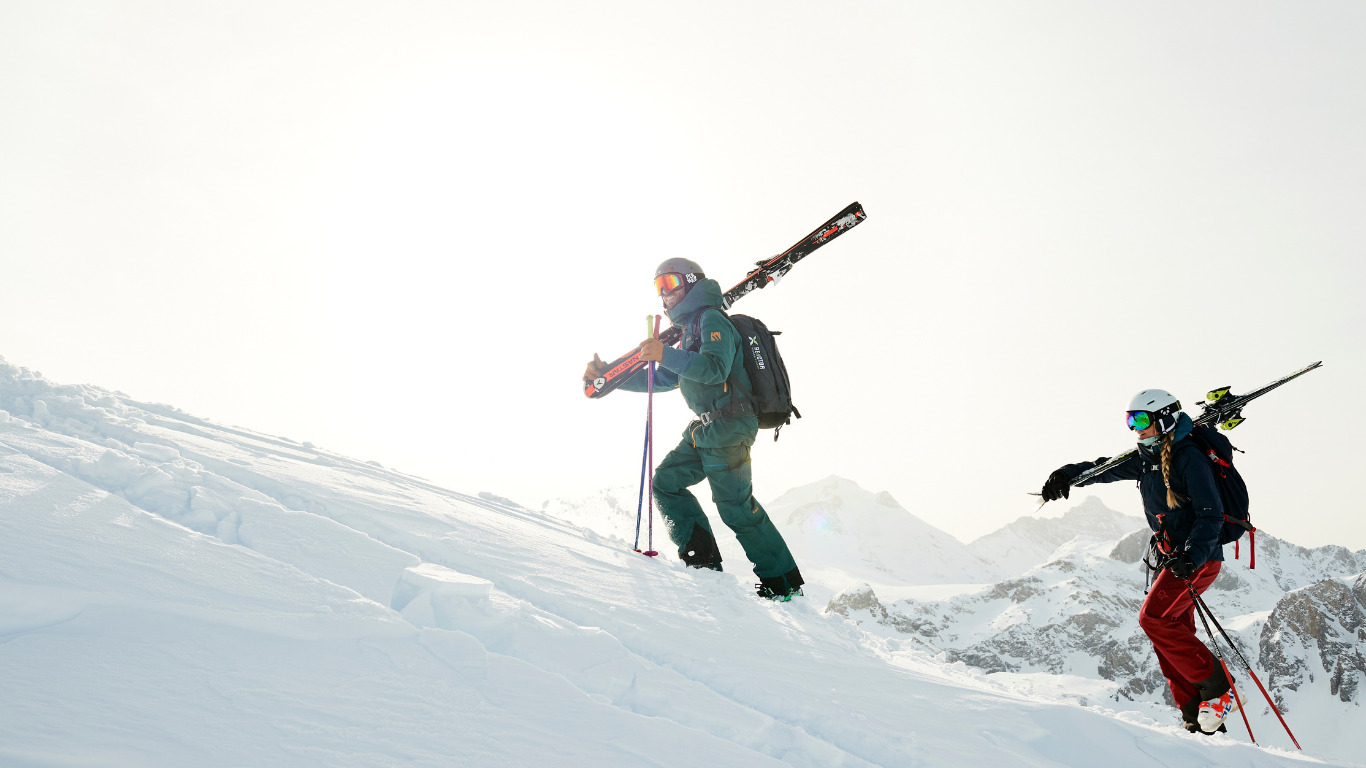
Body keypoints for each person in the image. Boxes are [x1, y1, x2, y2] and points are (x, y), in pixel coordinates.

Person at [583, 258, 805, 601]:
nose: (664, 294)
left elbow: (715, 369)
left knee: (736, 507)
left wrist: (664, 355)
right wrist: (610, 381)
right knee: (667, 483)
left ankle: (784, 585)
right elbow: (668, 377)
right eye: (658, 287)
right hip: (705, 430)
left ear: (689, 282)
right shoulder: (690, 331)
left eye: (669, 283)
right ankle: (703, 565)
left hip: (729, 425)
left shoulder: (712, 319)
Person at [1039, 389, 1239, 734]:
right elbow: (1105, 468)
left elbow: (1211, 513)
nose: (1135, 428)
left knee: (1154, 620)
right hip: (1173, 558)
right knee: (1172, 630)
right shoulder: (1148, 457)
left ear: (1163, 418)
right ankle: (1195, 712)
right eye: (1130, 420)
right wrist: (1066, 474)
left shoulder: (1188, 456)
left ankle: (1220, 690)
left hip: (1197, 559)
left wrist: (1192, 555)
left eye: (1141, 419)